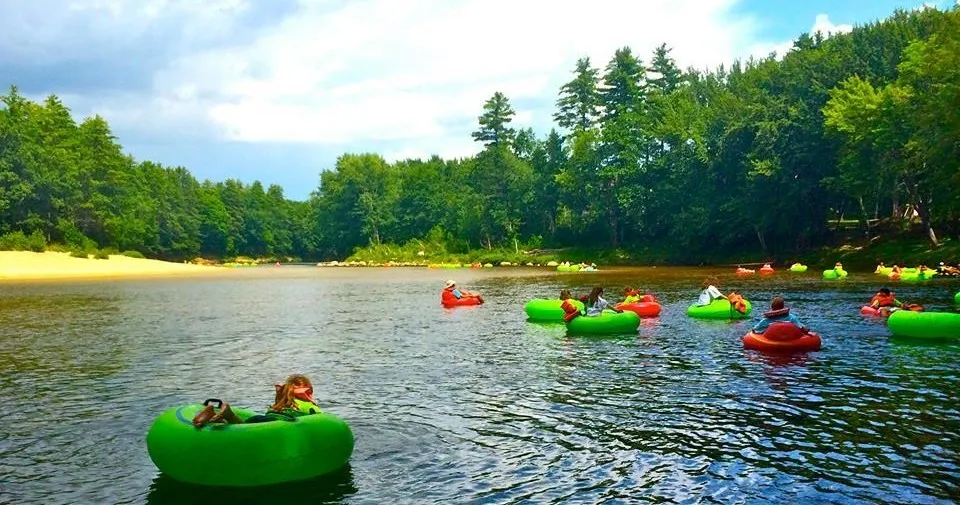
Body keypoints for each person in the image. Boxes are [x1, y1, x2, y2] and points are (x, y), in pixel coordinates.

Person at [192, 374, 322, 427]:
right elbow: (319, 422)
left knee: (240, 425)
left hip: (262, 418)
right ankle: (228, 414)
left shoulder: (280, 402)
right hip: (275, 425)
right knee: (244, 428)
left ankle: (215, 416)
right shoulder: (308, 406)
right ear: (308, 391)